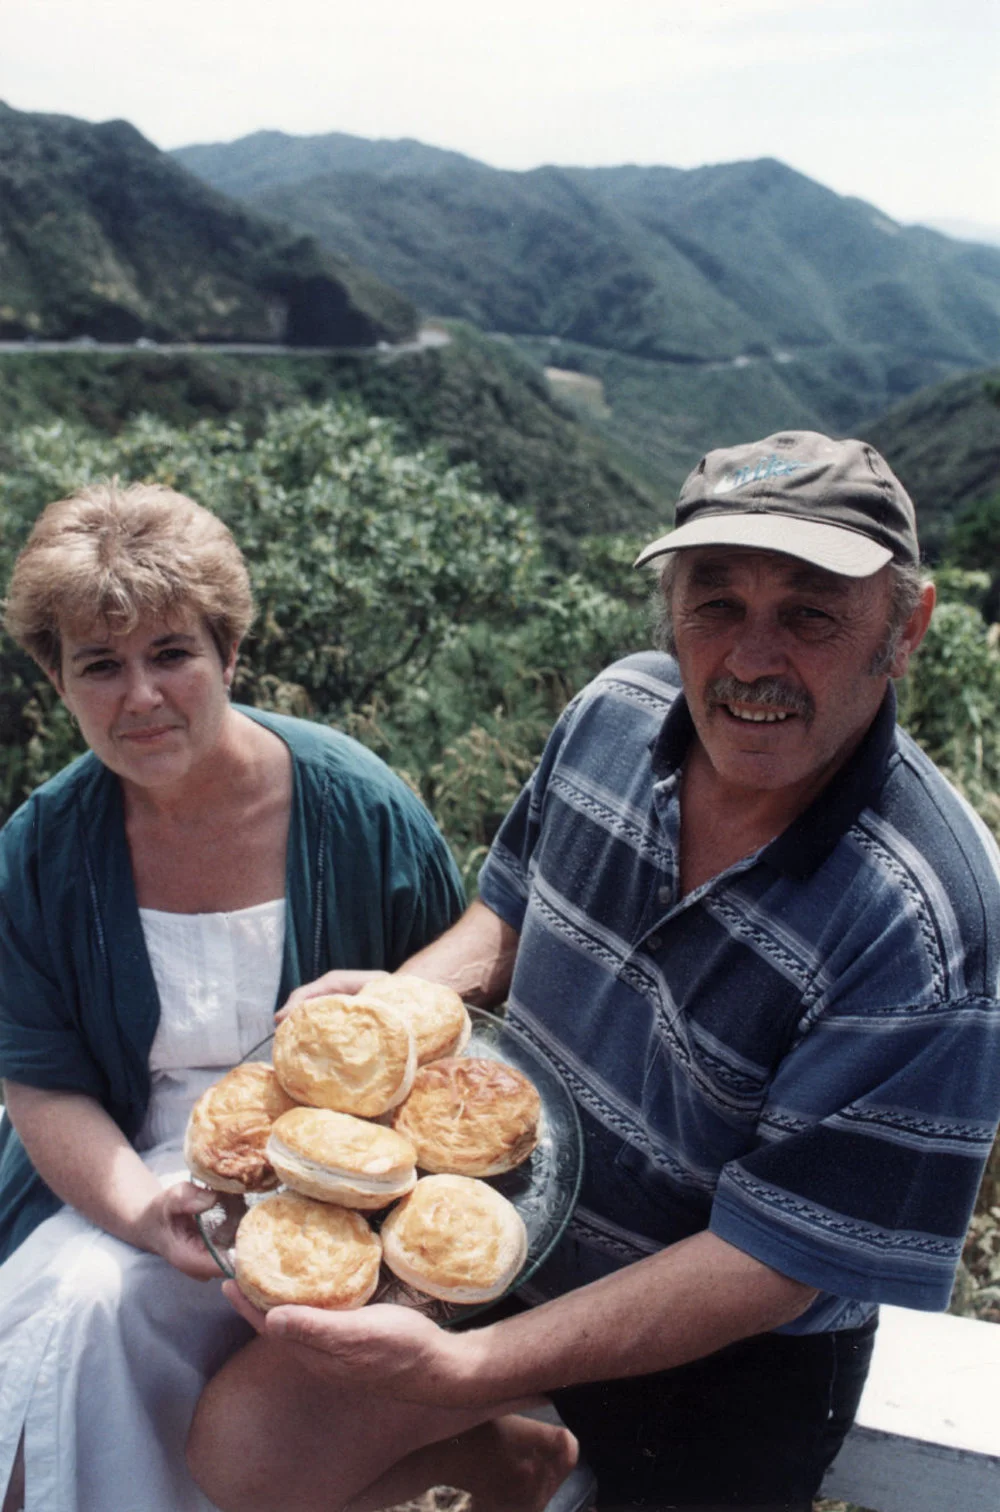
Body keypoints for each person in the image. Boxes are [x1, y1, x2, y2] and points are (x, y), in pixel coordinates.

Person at [187, 430, 1000, 1512]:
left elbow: (775, 1262)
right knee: (238, 1454)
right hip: (507, 1231)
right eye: (716, 605)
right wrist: (399, 1005)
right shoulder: (615, 715)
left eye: (808, 613)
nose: (753, 659)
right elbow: (507, 912)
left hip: (719, 1358)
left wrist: (471, 1372)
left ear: (904, 631)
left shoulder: (924, 918)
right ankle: (521, 1462)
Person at [0, 480, 476, 1512]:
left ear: (228, 653)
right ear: (57, 680)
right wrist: (139, 1209)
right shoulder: (41, 851)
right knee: (82, 1309)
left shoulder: (360, 811)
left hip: (337, 1199)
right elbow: (39, 1086)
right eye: (99, 665)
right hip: (130, 1183)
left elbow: (453, 1042)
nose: (141, 696)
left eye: (172, 653)